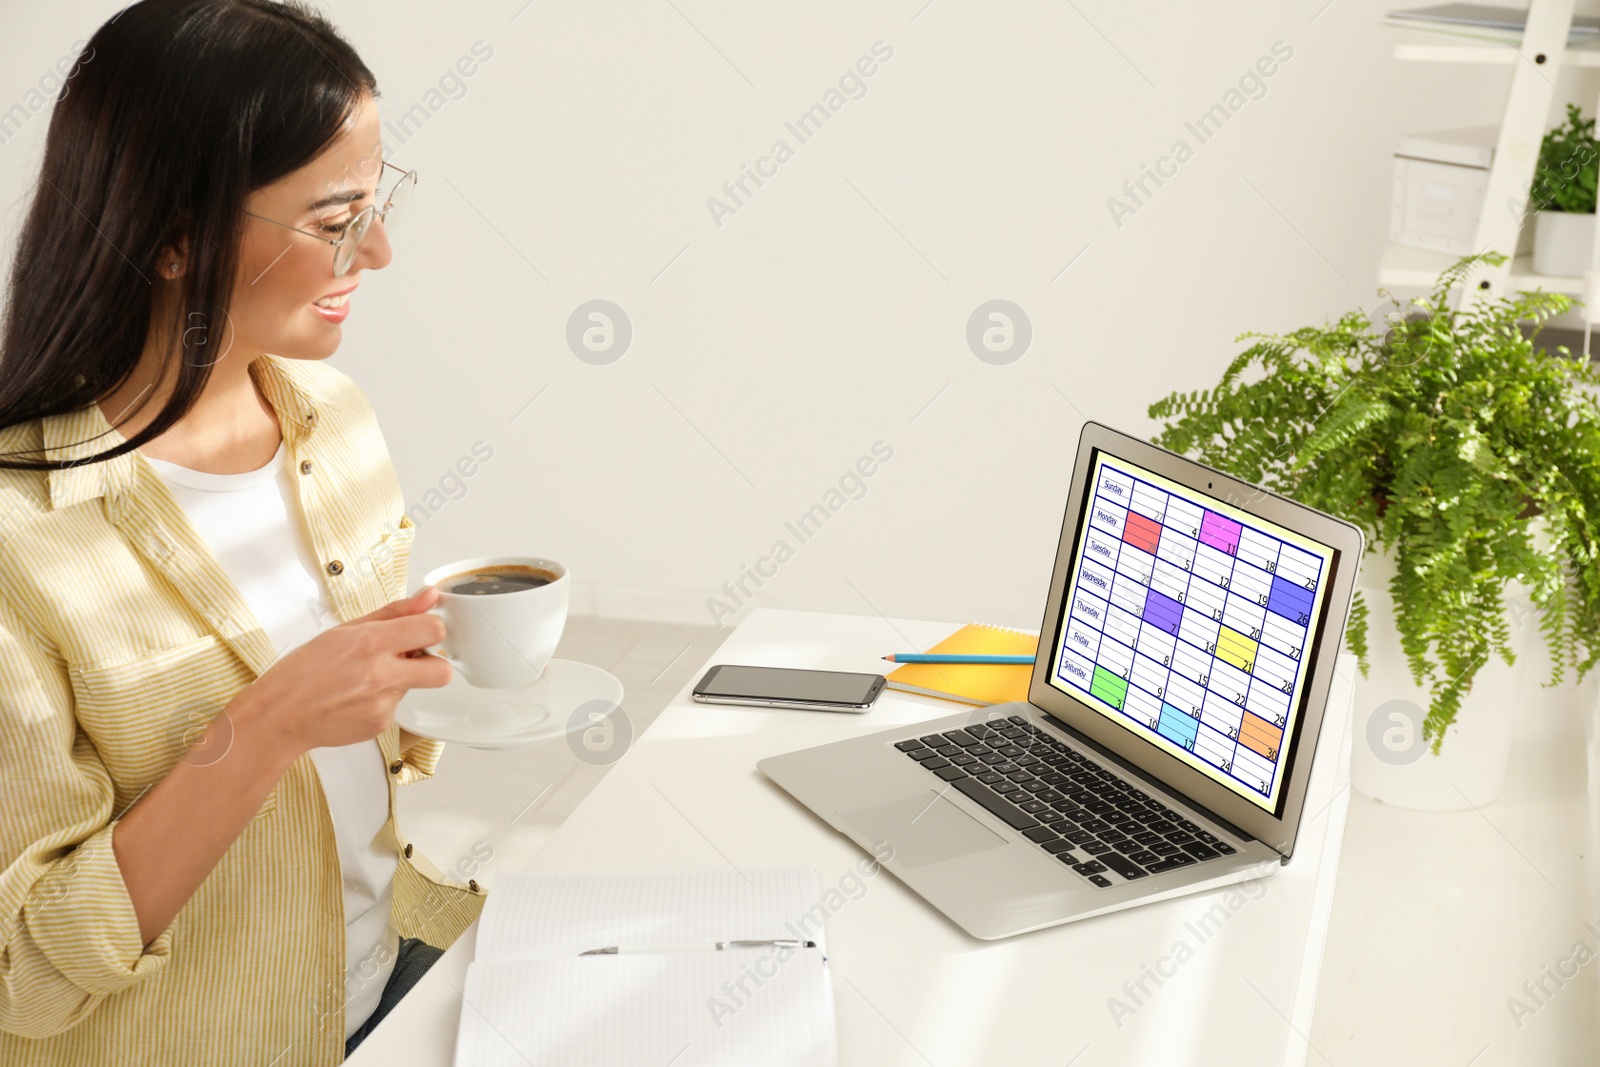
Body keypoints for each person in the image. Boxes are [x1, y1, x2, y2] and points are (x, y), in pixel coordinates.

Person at [0, 1, 482, 1061]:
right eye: (336, 219)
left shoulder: (334, 418)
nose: (382, 249)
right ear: (174, 238)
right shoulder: (17, 544)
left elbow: (367, 765)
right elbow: (21, 974)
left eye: (377, 201)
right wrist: (261, 725)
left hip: (389, 978)